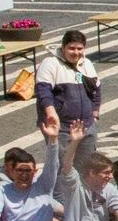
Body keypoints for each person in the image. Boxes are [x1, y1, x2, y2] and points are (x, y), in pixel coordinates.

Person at [35, 30, 103, 159]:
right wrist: (50, 112)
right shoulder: (50, 63)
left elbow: (97, 89)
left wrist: (95, 115)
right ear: (63, 47)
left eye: (79, 49)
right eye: (71, 48)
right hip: (62, 129)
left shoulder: (87, 64)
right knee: (63, 167)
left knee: (87, 168)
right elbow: (43, 91)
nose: (76, 52)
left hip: (87, 127)